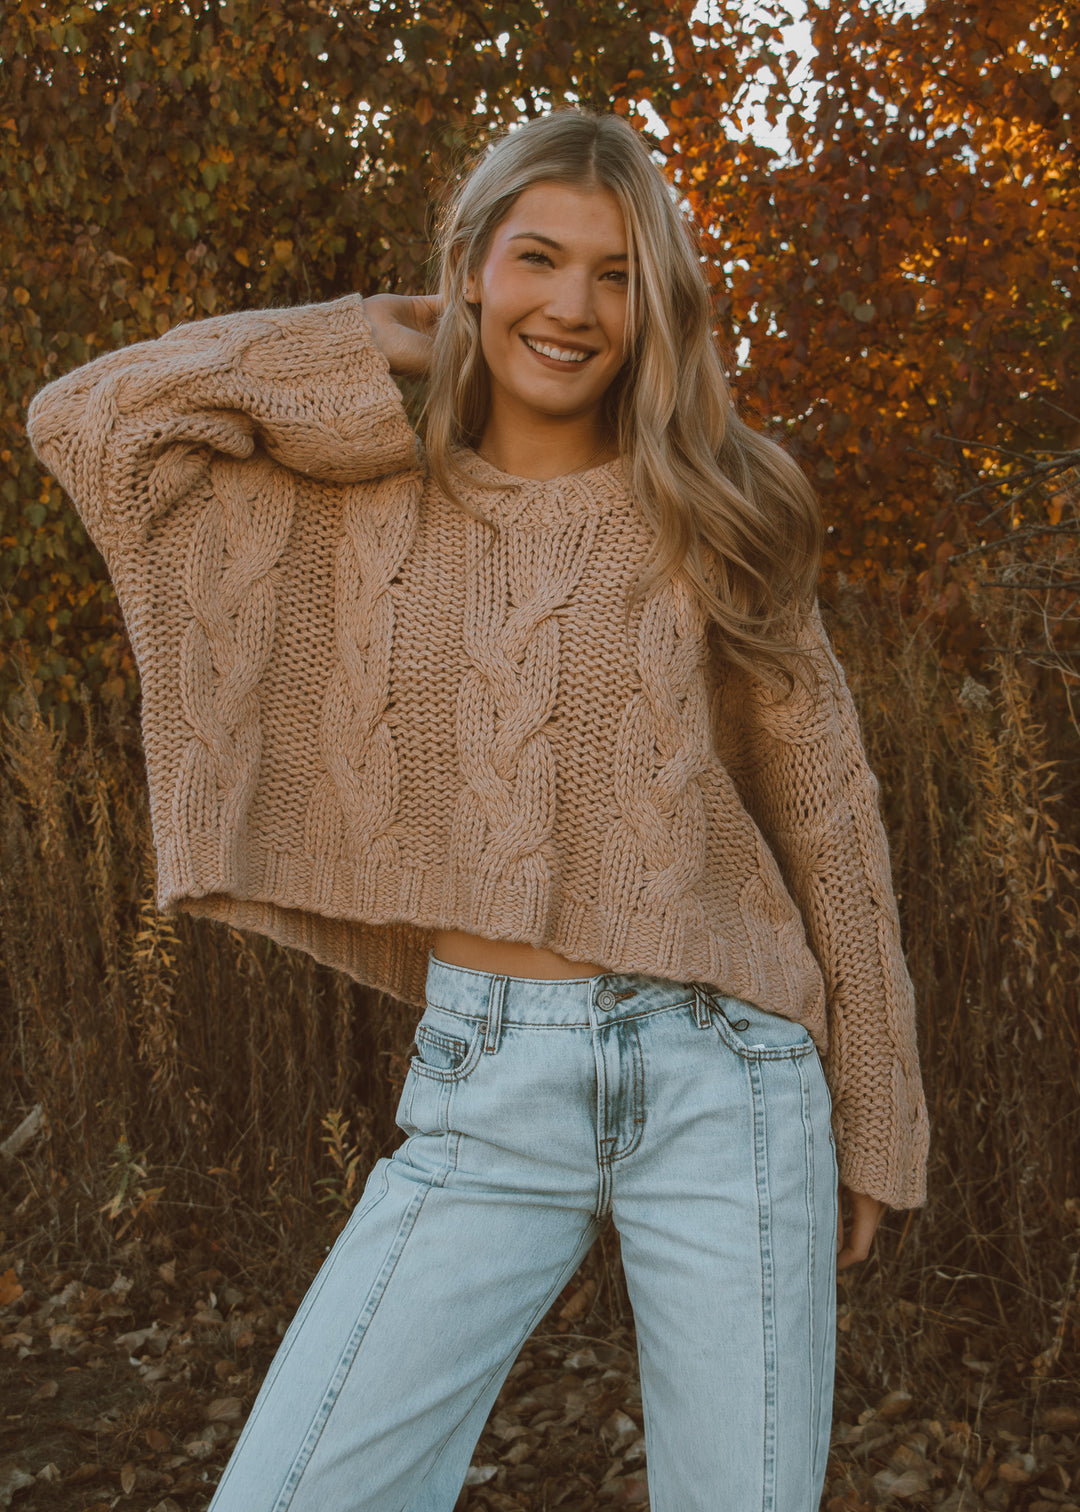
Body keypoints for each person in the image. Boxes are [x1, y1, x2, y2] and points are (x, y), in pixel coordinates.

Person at [28, 109, 928, 1512]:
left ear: (659, 306)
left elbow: (829, 813)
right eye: (538, 257)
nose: (574, 305)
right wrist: (353, 337)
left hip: (728, 1080)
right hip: (486, 1090)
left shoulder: (712, 505)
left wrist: (879, 1106)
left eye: (620, 274)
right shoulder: (356, 510)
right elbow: (87, 420)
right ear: (469, 266)